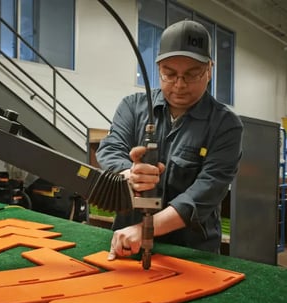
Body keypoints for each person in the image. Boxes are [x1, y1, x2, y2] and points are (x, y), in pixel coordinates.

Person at [96, 19, 243, 260]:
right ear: (159, 69)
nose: (180, 85)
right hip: (127, 241)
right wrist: (129, 173)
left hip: (192, 250)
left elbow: (205, 192)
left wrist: (146, 229)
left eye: (192, 74)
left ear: (209, 69)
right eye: (170, 74)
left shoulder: (226, 125)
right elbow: (110, 149)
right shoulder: (132, 107)